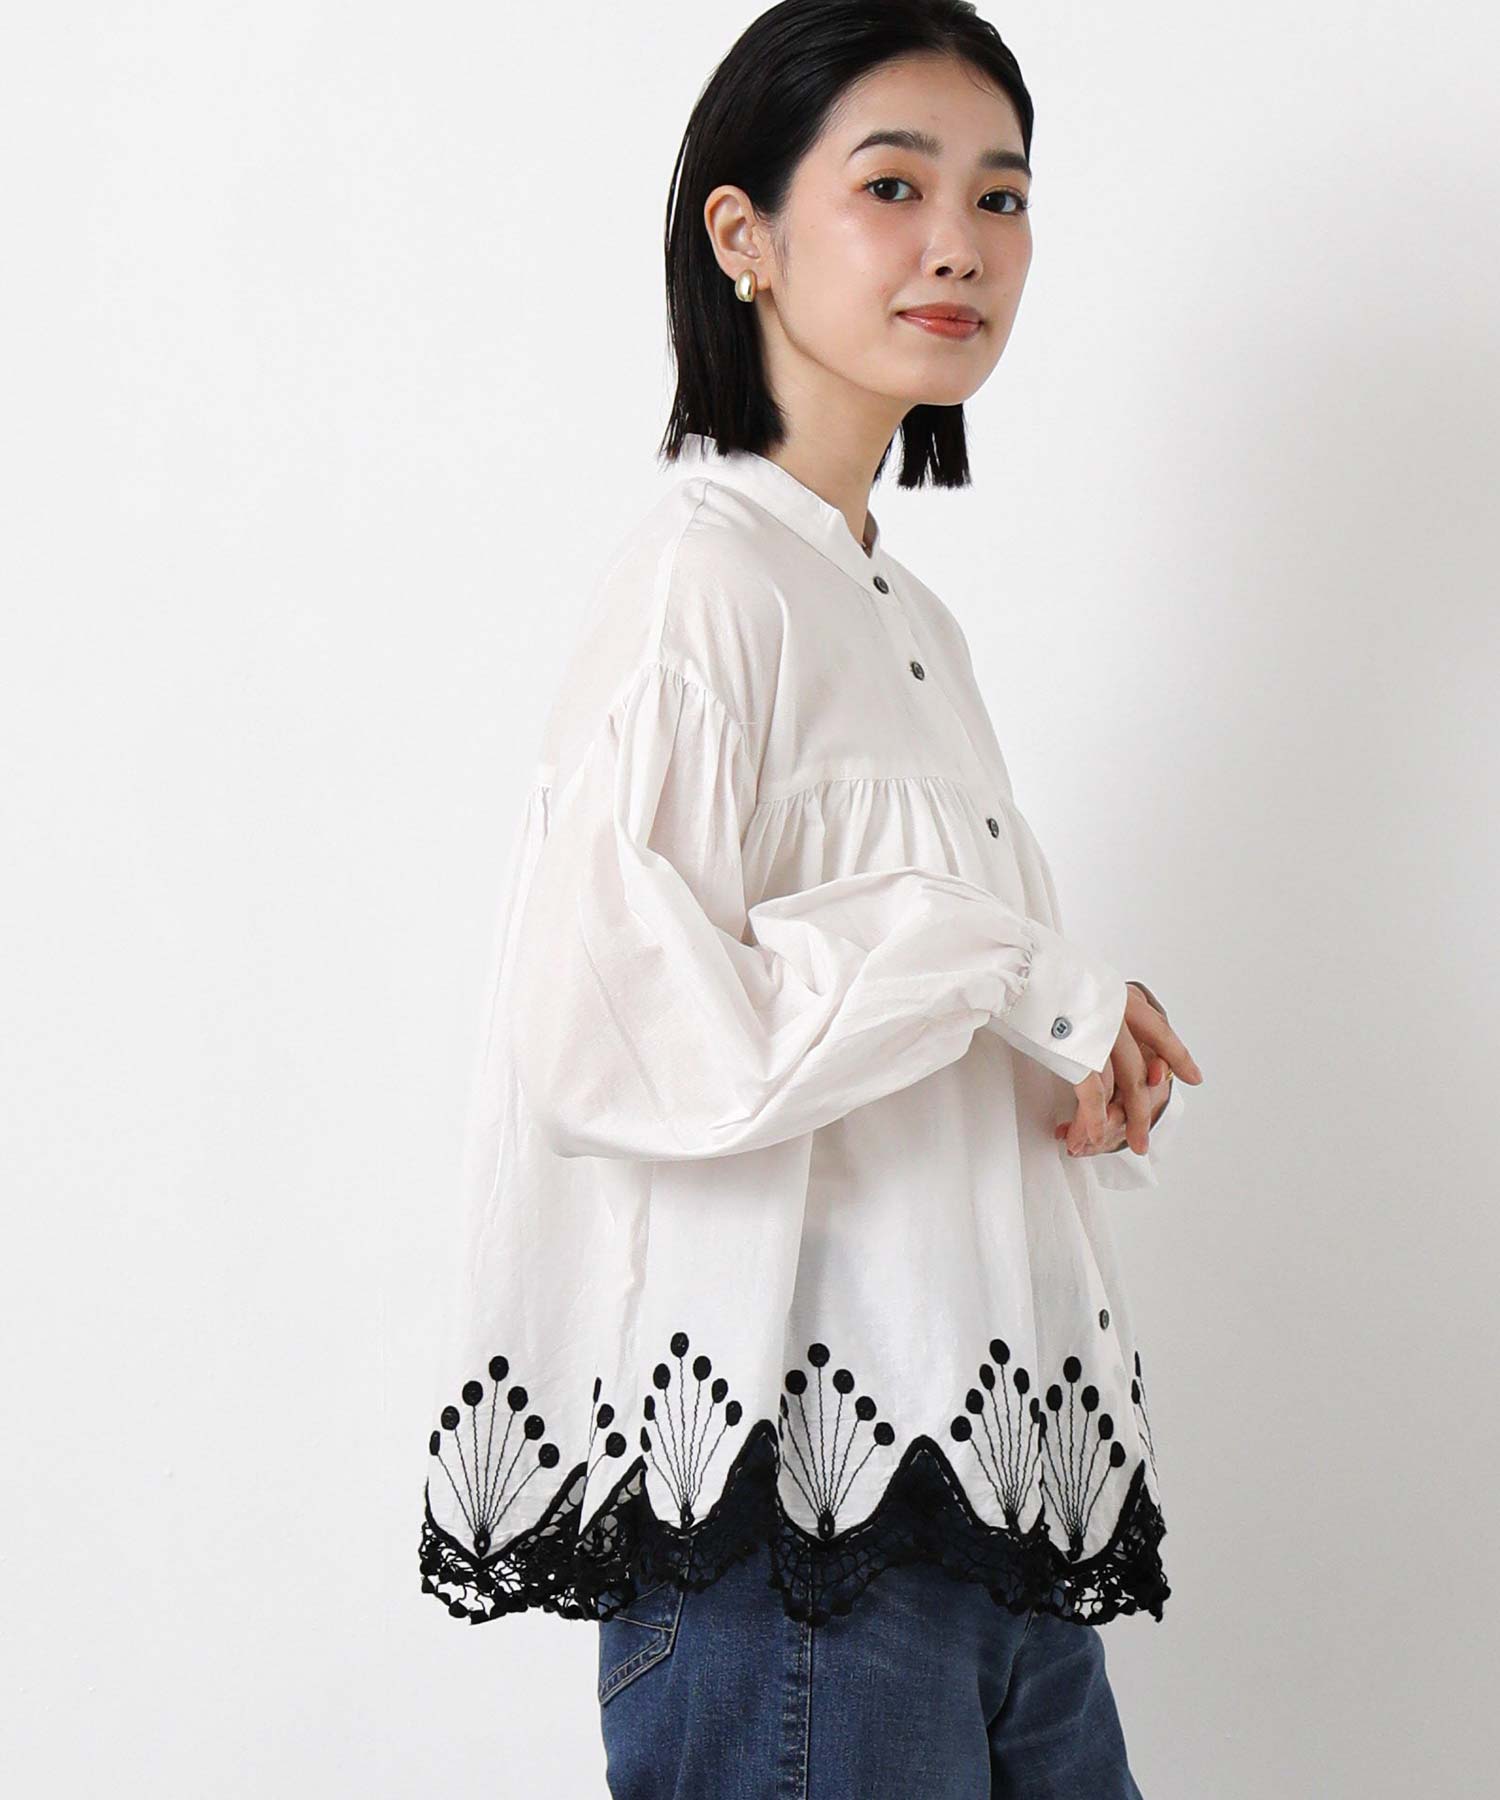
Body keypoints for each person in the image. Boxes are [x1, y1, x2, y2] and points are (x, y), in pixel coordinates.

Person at [418, 2, 1205, 1793]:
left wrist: (1050, 1040)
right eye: (894, 186)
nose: (962, 243)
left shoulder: (911, 619)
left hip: (983, 1499)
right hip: (791, 1552)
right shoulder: (703, 585)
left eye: (1002, 196)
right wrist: (1005, 964)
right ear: (744, 235)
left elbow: (858, 1029)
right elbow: (608, 1027)